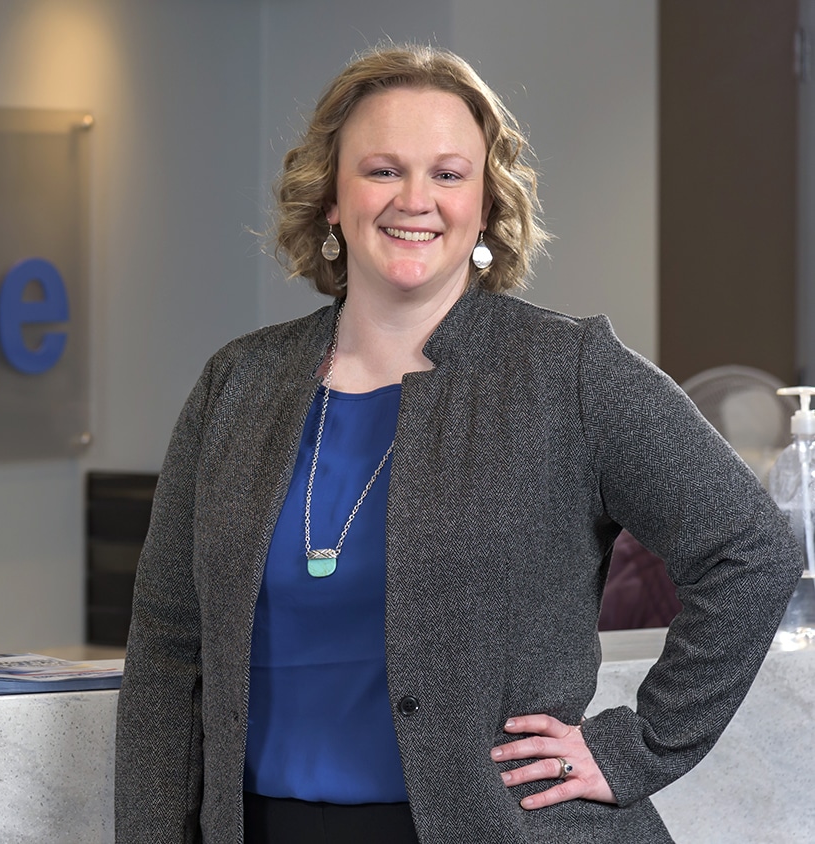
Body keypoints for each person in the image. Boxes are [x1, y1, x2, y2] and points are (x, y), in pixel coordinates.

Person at [113, 43, 801, 844]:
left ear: (485, 204)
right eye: (382, 170)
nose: (416, 200)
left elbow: (752, 550)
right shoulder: (238, 385)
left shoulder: (568, 372)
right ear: (332, 197)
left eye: (448, 174)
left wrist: (636, 747)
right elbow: (167, 641)